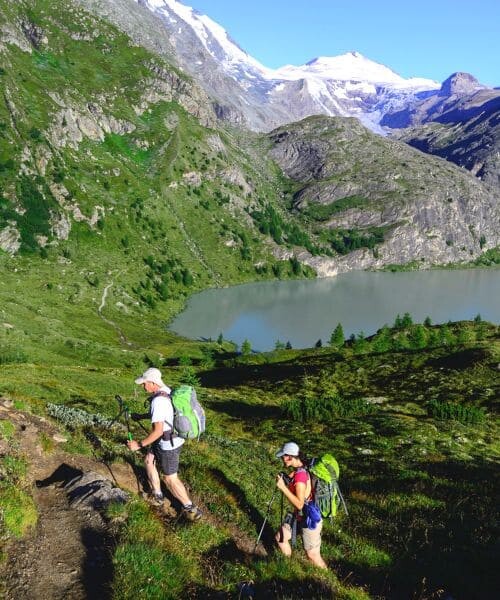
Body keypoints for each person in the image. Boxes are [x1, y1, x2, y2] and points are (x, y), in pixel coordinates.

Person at [127, 367, 202, 521]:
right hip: (170, 439)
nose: (143, 386)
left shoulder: (158, 401)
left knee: (170, 478)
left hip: (168, 444)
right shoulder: (166, 391)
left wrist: (138, 445)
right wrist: (141, 416)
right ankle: (158, 495)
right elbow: (164, 414)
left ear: (153, 383)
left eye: (144, 383)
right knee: (149, 460)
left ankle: (191, 508)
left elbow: (158, 431)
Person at [275, 441, 327, 569]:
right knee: (280, 537)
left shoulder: (300, 476)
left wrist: (283, 487)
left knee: (312, 555)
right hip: (299, 517)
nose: (282, 459)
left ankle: (328, 581)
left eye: (283, 456)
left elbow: (299, 504)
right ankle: (289, 568)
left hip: (310, 520)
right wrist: (287, 480)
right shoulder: (301, 469)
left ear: (290, 456)